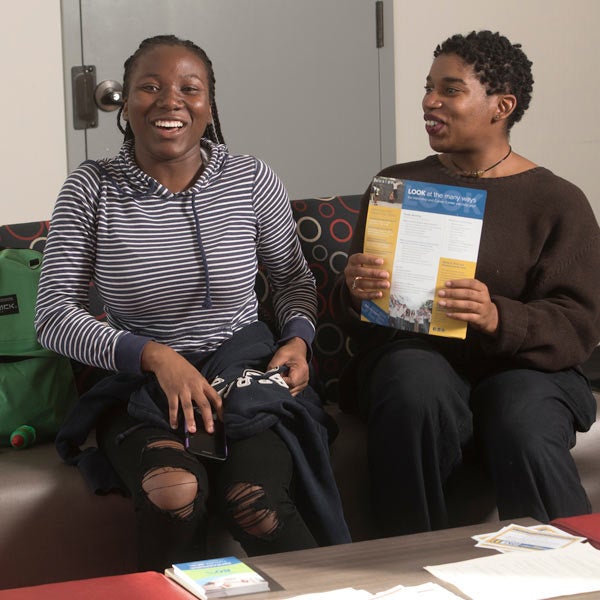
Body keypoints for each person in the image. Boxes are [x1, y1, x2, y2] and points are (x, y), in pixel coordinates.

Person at [35, 34, 350, 571]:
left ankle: (337, 586)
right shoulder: (91, 188)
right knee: (173, 492)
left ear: (209, 104)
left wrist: (298, 339)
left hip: (243, 375)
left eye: (189, 88)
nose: (170, 101)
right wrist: (155, 356)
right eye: (149, 87)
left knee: (253, 503)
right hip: (144, 390)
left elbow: (294, 282)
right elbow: (53, 317)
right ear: (126, 104)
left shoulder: (249, 178)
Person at [332, 30, 600, 536]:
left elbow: (580, 322)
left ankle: (575, 569)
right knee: (413, 383)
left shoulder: (557, 200)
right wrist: (356, 291)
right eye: (428, 88)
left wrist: (500, 316)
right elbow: (359, 315)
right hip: (418, 359)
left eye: (450, 90)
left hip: (525, 368)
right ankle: (407, 567)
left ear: (502, 105)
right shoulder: (397, 183)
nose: (430, 102)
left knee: (522, 414)